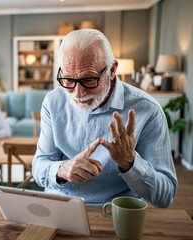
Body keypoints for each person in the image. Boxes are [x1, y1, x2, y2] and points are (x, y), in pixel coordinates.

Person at [32, 29, 177, 208]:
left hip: (115, 213)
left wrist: (130, 164)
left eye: (90, 79)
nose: (78, 93)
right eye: (69, 79)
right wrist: (62, 169)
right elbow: (39, 167)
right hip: (59, 208)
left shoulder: (148, 111)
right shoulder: (53, 101)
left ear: (112, 70)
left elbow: (166, 196)